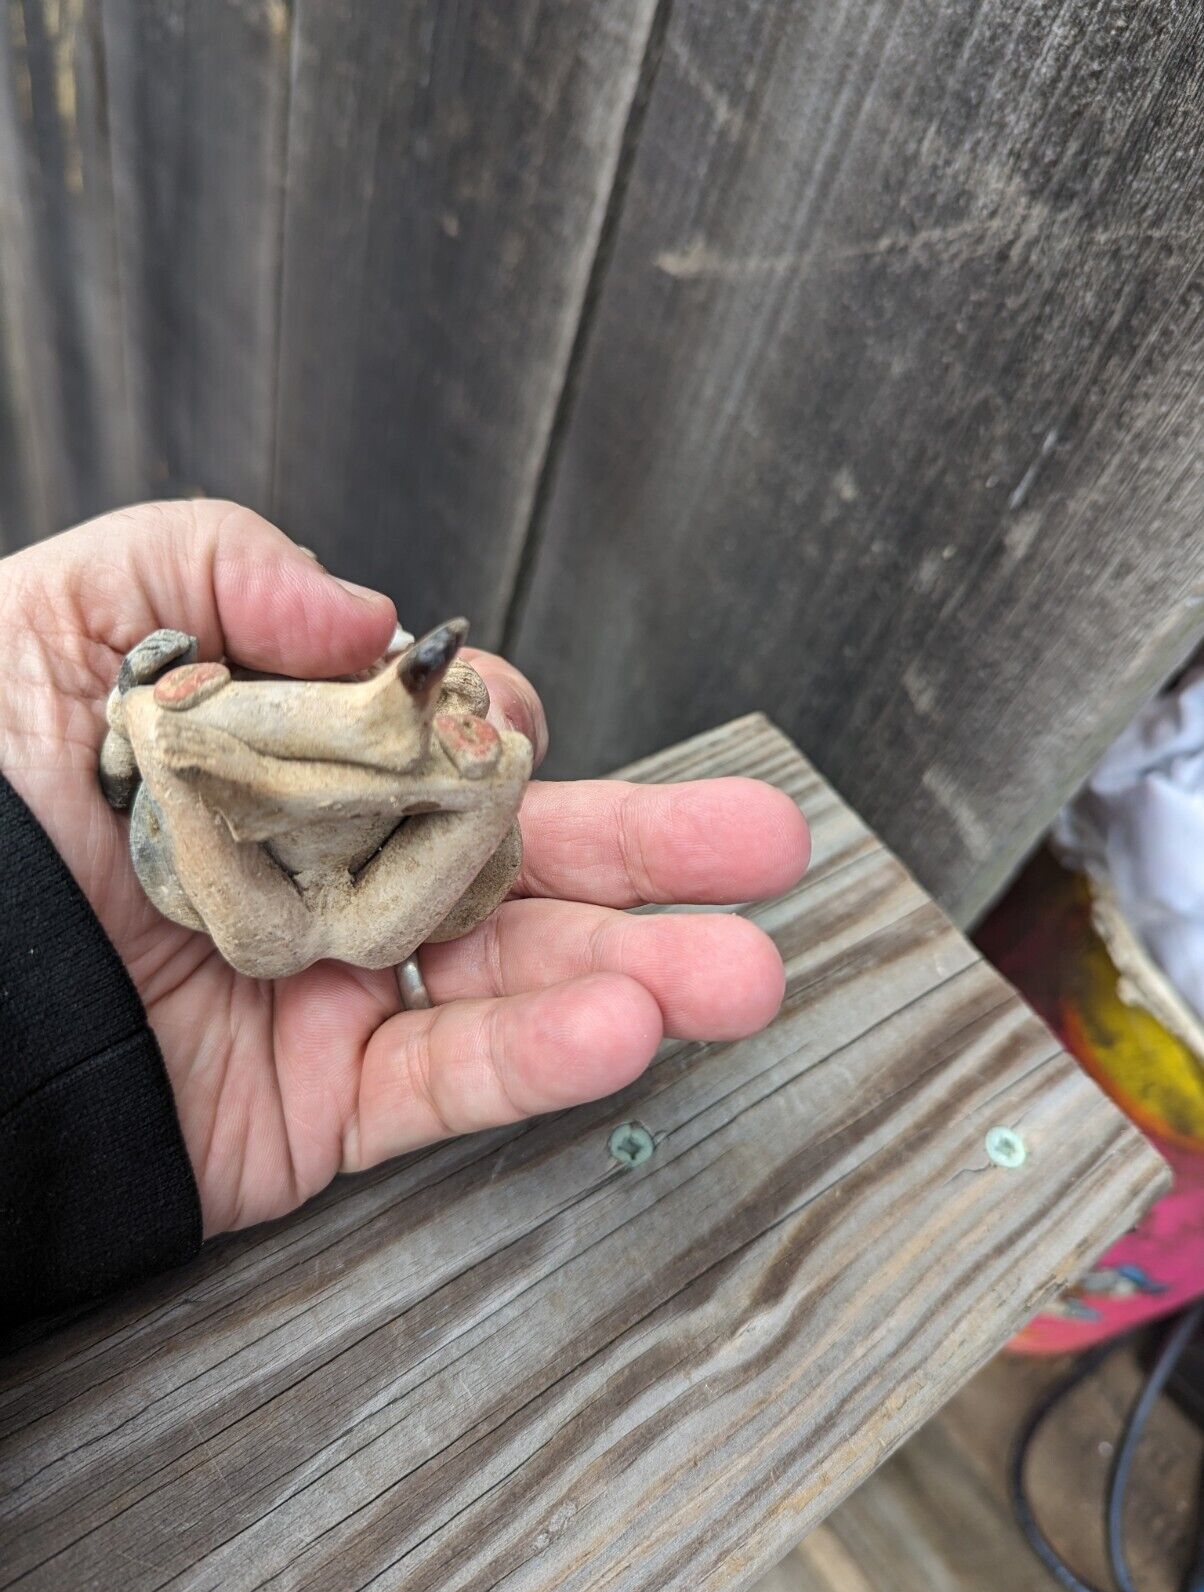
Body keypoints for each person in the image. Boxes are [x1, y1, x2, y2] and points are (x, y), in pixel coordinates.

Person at [0, 499, 810, 1326]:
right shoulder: (194, 753)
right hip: (234, 808)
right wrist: (143, 740)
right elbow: (127, 770)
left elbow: (470, 754)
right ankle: (338, 739)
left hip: (346, 859)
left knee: (369, 905)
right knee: (245, 856)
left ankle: (395, 752)